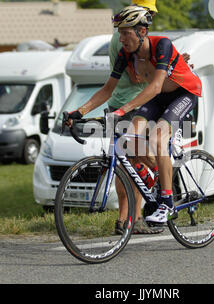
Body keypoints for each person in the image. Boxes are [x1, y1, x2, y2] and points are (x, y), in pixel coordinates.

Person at [67, 6, 202, 224]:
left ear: (141, 32)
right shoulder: (126, 54)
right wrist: (79, 111)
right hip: (158, 97)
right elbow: (107, 89)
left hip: (183, 93)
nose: (121, 38)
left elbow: (156, 86)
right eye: (119, 33)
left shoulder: (162, 45)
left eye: (125, 33)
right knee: (129, 141)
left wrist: (123, 109)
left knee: (158, 137)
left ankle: (167, 202)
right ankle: (160, 176)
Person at [108, 0, 162, 235]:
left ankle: (124, 219)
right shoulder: (128, 39)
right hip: (135, 105)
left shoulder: (119, 33)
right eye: (149, 13)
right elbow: (139, 77)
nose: (150, 19)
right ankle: (136, 217)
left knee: (126, 164)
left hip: (117, 104)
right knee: (138, 162)